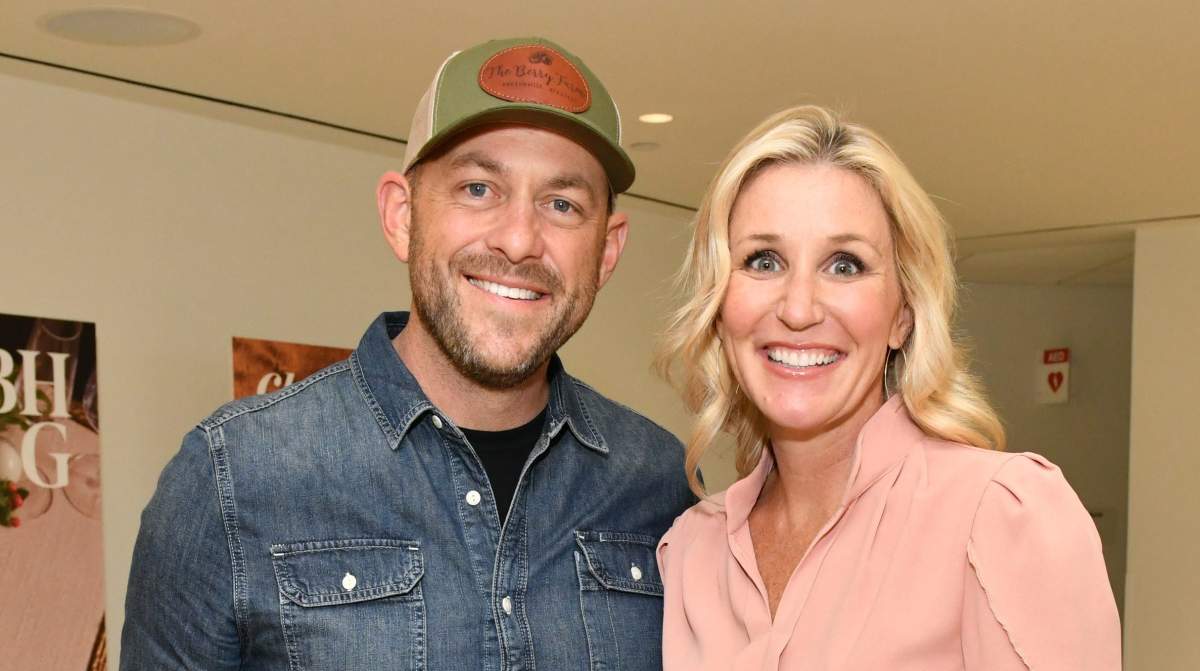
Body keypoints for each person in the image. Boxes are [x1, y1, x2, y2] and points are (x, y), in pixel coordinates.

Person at [121, 36, 693, 670]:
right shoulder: (234, 475)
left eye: (562, 205)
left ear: (607, 251)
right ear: (402, 216)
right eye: (478, 188)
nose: (518, 240)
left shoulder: (662, 484)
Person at [655, 105, 1121, 670]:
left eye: (845, 265)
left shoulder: (1000, 517)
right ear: (719, 304)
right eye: (764, 261)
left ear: (903, 315)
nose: (799, 308)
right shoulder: (692, 551)